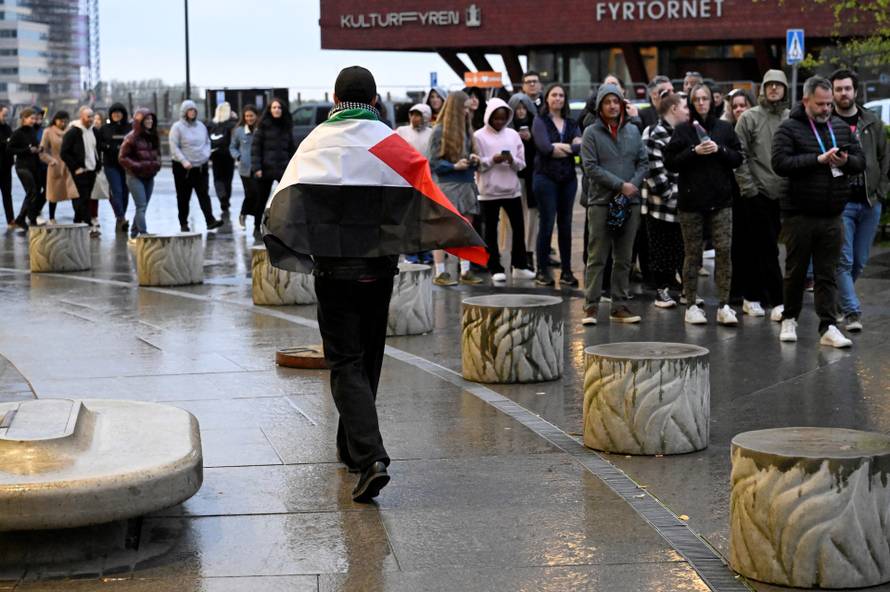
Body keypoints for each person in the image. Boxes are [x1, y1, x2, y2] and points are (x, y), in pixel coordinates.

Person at [263, 66, 486, 502]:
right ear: (375, 99)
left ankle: (370, 458)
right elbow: (425, 193)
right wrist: (460, 236)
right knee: (368, 360)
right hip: (379, 269)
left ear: (334, 98)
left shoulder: (316, 142)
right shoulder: (390, 142)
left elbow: (284, 200)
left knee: (345, 361)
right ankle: (350, 448)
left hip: (334, 271)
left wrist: (293, 247)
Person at [771, 75, 865, 347]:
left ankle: (829, 326)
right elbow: (780, 162)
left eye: (829, 104)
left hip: (833, 212)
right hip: (799, 213)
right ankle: (790, 318)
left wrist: (845, 161)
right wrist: (817, 160)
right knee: (796, 271)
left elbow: (860, 162)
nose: (826, 109)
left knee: (827, 273)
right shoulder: (789, 128)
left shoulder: (840, 126)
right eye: (821, 104)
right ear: (806, 101)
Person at [664, 84, 743, 326]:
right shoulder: (682, 130)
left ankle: (724, 304)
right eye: (696, 99)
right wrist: (693, 151)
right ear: (691, 103)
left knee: (724, 252)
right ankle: (690, 304)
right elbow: (671, 162)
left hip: (721, 200)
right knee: (692, 254)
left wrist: (720, 150)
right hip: (691, 201)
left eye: (705, 98)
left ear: (712, 101)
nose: (701, 103)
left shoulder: (725, 128)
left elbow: (738, 158)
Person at [580, 83, 648, 325]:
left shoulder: (633, 131)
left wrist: (632, 186)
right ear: (600, 106)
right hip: (600, 202)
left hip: (630, 203)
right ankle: (591, 306)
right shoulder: (591, 133)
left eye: (615, 101)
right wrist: (621, 185)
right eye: (607, 102)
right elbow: (590, 167)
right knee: (597, 256)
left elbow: (643, 162)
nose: (612, 106)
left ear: (622, 105)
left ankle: (619, 305)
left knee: (624, 257)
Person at [830, 68, 889, 333]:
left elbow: (885, 157)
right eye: (838, 89)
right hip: (840, 202)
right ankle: (852, 312)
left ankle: (839, 303)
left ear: (855, 91)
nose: (843, 93)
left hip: (869, 201)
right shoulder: (826, 122)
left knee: (859, 261)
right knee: (843, 260)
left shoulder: (872, 121)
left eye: (847, 88)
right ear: (832, 92)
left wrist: (882, 191)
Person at [734, 70, 790, 321]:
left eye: (779, 85)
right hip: (757, 192)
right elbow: (739, 155)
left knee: (776, 249)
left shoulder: (791, 118)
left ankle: (759, 296)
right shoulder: (749, 117)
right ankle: (772, 299)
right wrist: (749, 189)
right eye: (770, 85)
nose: (774, 89)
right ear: (763, 89)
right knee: (763, 248)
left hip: (786, 193)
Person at [473, 97, 534, 282]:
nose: (499, 122)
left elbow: (521, 164)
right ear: (488, 117)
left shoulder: (513, 135)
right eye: (495, 118)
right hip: (488, 192)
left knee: (518, 228)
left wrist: (510, 160)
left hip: (511, 190)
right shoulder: (478, 136)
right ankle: (495, 266)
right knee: (490, 231)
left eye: (502, 118)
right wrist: (493, 159)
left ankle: (520, 265)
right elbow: (477, 163)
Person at [428, 90, 483, 285]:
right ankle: (440, 273)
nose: (468, 112)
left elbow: (467, 157)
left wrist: (474, 160)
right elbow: (432, 162)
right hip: (448, 185)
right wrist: (453, 166)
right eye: (465, 108)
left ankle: (465, 271)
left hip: (467, 184)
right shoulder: (439, 130)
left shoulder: (467, 130)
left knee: (466, 228)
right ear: (455, 108)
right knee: (444, 229)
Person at [532, 83, 582, 287]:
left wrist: (562, 147)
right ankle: (542, 270)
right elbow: (545, 148)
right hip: (545, 178)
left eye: (561, 95)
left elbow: (580, 147)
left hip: (568, 179)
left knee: (566, 225)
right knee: (546, 224)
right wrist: (566, 147)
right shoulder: (539, 121)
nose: (558, 99)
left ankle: (567, 271)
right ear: (547, 99)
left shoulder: (571, 122)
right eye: (554, 95)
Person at [644, 92, 689, 309]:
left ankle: (681, 289)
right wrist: (676, 193)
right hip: (661, 207)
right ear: (673, 109)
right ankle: (660, 291)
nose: (688, 111)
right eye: (685, 107)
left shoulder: (684, 132)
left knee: (681, 250)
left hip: (682, 206)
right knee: (661, 250)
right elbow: (654, 174)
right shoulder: (655, 133)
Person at [169, 100, 223, 232]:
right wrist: (183, 161)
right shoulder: (177, 127)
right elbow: (174, 146)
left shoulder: (201, 126)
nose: (192, 112)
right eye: (189, 110)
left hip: (200, 167)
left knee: (203, 194)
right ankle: (183, 223)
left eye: (194, 110)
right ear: (184, 112)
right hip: (183, 169)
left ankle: (210, 220)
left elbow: (207, 142)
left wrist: (205, 156)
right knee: (183, 197)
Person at [251, 97, 296, 236]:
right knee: (261, 200)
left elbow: (291, 149)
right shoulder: (262, 126)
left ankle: (284, 228)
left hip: (283, 169)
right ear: (270, 110)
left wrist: (293, 168)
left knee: (287, 200)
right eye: (274, 107)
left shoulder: (286, 126)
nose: (277, 110)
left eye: (279, 107)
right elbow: (256, 148)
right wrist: (257, 168)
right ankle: (256, 227)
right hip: (265, 170)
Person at [118, 108, 161, 239]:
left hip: (149, 176)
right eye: (147, 119)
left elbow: (157, 154)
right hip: (135, 176)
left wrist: (156, 165)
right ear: (139, 121)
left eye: (151, 119)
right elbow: (122, 157)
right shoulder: (131, 138)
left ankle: (134, 231)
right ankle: (143, 234)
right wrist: (138, 166)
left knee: (143, 206)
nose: (150, 121)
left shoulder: (153, 136)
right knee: (141, 206)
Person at [59, 106, 102, 237]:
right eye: (88, 116)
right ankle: (89, 225)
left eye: (92, 116)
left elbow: (97, 149)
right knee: (83, 198)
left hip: (92, 170)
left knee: (86, 198)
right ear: (81, 117)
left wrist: (98, 165)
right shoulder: (73, 132)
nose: (91, 119)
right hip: (80, 171)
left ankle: (77, 222)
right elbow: (64, 153)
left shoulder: (94, 131)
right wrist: (76, 167)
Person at [508, 92, 539, 269]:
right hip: (515, 176)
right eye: (517, 108)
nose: (521, 112)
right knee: (517, 217)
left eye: (524, 108)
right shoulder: (507, 130)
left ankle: (530, 251)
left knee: (533, 215)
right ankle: (518, 252)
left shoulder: (537, 125)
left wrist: (532, 138)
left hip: (534, 175)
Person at [39, 111, 78, 221]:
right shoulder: (48, 132)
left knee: (74, 193)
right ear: (55, 120)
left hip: (70, 165)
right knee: (54, 194)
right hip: (55, 165)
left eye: (66, 121)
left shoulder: (71, 131)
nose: (63, 123)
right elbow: (42, 151)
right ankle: (52, 217)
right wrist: (50, 160)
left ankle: (78, 218)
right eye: (61, 121)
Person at [9, 108, 42, 231]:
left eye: (35, 118)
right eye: (31, 118)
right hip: (22, 166)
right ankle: (21, 218)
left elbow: (34, 146)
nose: (34, 121)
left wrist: (39, 149)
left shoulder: (33, 131)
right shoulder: (17, 133)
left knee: (36, 192)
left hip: (34, 165)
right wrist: (27, 150)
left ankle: (25, 218)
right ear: (24, 119)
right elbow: (10, 149)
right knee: (32, 191)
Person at [100, 102, 131, 232]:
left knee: (125, 192)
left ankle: (120, 219)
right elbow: (100, 144)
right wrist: (109, 147)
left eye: (119, 113)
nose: (117, 115)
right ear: (110, 115)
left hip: (126, 165)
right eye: (114, 113)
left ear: (123, 114)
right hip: (111, 164)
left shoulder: (130, 127)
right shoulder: (105, 128)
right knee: (116, 190)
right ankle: (121, 217)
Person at [230, 104, 259, 232]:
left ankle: (256, 222)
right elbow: (232, 147)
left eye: (251, 115)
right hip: (244, 169)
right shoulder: (239, 131)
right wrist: (238, 156)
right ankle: (243, 214)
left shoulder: (260, 130)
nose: (249, 118)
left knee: (259, 195)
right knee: (251, 193)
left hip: (259, 168)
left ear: (256, 116)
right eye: (247, 116)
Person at [208, 101, 237, 215]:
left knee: (217, 178)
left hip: (215, 154)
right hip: (228, 155)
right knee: (228, 179)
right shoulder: (231, 123)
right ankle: (226, 199)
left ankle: (222, 196)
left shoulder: (211, 124)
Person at [0, 105, 12, 227]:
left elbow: (12, 141)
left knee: (7, 194)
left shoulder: (7, 128)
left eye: (7, 115)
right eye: (4, 115)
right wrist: (6, 142)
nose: (6, 117)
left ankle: (10, 220)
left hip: (6, 166)